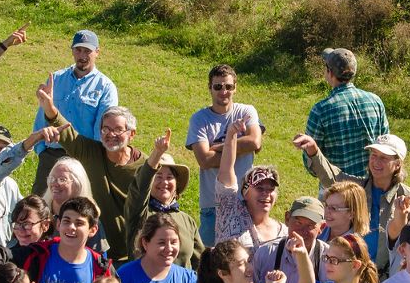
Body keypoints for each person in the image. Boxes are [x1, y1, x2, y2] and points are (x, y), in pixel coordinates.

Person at [37, 76, 145, 264]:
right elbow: (68, 135)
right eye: (105, 129)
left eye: (118, 130)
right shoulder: (92, 153)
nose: (111, 135)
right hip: (96, 250)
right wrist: (49, 107)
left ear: (131, 134)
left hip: (133, 254)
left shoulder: (145, 166)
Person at [296, 132, 410, 277]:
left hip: (386, 277)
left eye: (383, 158)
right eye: (374, 155)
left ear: (397, 165)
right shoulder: (358, 188)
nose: (376, 162)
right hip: (350, 273)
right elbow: (333, 178)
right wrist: (313, 151)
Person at [30, 29, 120, 193]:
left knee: (77, 209)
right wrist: (42, 151)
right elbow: (41, 116)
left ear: (97, 52)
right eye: (78, 50)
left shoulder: (106, 87)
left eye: (87, 51)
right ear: (72, 50)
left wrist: (92, 161)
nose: (82, 55)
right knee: (39, 207)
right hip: (51, 155)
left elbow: (102, 130)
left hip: (82, 159)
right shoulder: (56, 79)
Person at [187, 64, 264, 246]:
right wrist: (239, 146)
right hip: (212, 205)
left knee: (248, 258)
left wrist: (218, 146)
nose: (224, 91)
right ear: (210, 88)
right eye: (218, 86)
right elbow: (204, 160)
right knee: (210, 261)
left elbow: (254, 141)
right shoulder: (199, 119)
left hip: (245, 201)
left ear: (235, 88)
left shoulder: (245, 111)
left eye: (228, 87)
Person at [302, 47, 389, 183]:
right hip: (372, 188)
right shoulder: (376, 101)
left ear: (329, 72)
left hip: (336, 192)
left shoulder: (321, 110)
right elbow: (386, 146)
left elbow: (312, 165)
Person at [128, 130, 201, 270]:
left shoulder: (187, 220)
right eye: (158, 176)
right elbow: (140, 188)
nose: (164, 182)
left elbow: (200, 264)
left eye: (169, 177)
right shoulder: (139, 212)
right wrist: (157, 153)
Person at [214, 119, 286, 248]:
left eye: (271, 189)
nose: (266, 194)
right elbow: (226, 169)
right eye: (259, 188)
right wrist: (231, 134)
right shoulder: (230, 211)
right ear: (245, 192)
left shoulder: (283, 232)